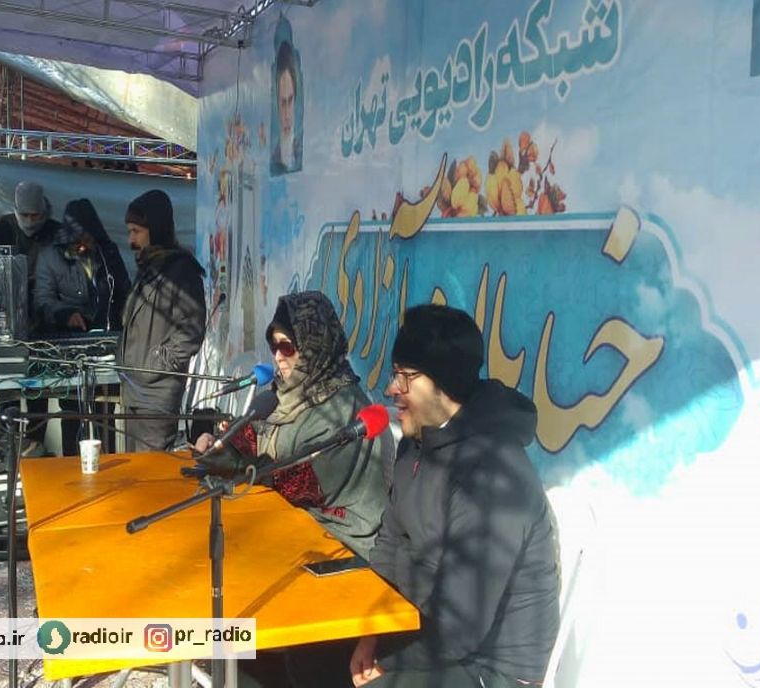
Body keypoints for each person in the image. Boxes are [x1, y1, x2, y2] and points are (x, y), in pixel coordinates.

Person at [350, 305, 560, 688]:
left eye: (405, 376)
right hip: (422, 634)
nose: (392, 389)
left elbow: (460, 628)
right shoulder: (418, 443)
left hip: (489, 669)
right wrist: (369, 634)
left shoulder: (493, 474)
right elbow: (390, 542)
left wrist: (386, 661)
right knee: (296, 652)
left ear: (443, 383)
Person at [194, 291, 390, 557]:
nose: (278, 356)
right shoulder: (285, 393)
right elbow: (250, 439)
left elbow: (301, 486)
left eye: (286, 347)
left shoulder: (343, 408)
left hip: (340, 543)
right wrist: (221, 446)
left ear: (313, 346)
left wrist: (237, 466)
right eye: (273, 346)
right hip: (291, 524)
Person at [34, 198, 131, 455]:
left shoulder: (107, 253)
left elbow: (124, 289)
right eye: (77, 240)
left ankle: (107, 464)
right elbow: (43, 300)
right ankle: (72, 464)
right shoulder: (50, 256)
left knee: (105, 411)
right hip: (68, 347)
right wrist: (65, 314)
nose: (82, 246)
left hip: (105, 343)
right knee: (72, 411)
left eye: (87, 239)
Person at [119, 189, 206, 452]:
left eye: (136, 231)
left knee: (151, 470)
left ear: (155, 229)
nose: (131, 239)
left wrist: (156, 363)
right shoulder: (150, 266)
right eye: (129, 231)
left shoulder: (181, 270)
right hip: (134, 388)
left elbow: (191, 332)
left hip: (156, 393)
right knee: (134, 468)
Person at [0, 181, 61, 450]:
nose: (30, 221)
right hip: (7, 325)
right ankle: (7, 455)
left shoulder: (55, 233)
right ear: (16, 210)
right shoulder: (3, 228)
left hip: (44, 326)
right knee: (7, 396)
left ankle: (35, 454)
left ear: (45, 211)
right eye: (25, 215)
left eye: (35, 216)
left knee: (37, 396)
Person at [270, 40, 302, 175]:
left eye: (290, 101)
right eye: (283, 103)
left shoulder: (300, 149)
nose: (287, 115)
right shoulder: (274, 157)